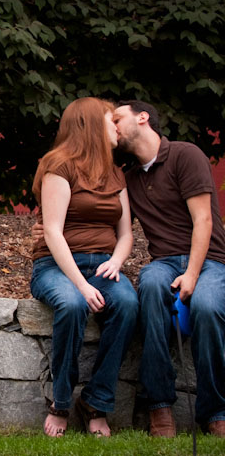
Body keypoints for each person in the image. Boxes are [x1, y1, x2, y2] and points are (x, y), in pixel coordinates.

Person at [111, 100, 225, 437]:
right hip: (163, 263)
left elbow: (203, 220)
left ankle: (215, 411)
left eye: (117, 118)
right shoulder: (128, 178)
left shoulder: (185, 155)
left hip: (210, 261)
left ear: (143, 117)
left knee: (207, 305)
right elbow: (115, 227)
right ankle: (159, 406)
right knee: (150, 283)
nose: (113, 125)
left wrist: (191, 274)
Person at [30, 97, 138, 438]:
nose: (117, 127)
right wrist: (81, 284)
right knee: (73, 304)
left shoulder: (116, 173)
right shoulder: (58, 166)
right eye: (111, 120)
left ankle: (96, 402)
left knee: (128, 304)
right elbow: (52, 232)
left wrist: (116, 262)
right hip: (57, 265)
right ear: (91, 125)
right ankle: (61, 402)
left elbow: (126, 234)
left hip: (103, 264)